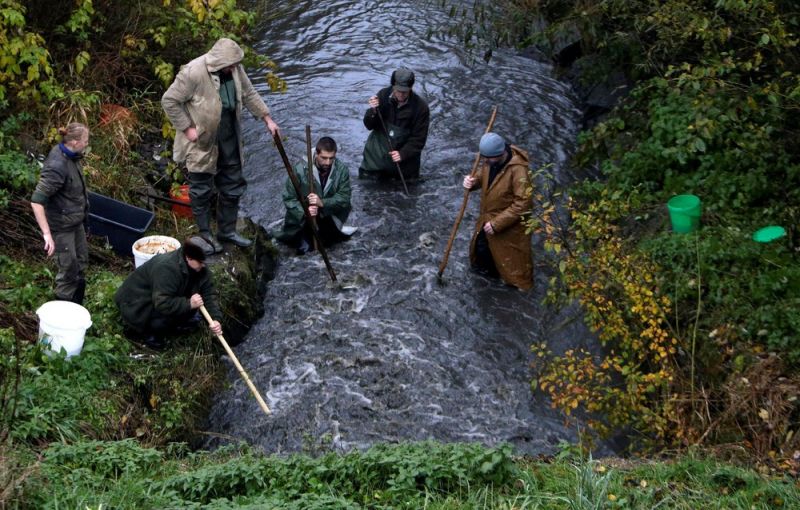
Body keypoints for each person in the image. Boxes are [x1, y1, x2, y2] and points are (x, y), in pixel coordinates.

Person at [162, 37, 280, 254]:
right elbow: (169, 101)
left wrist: (267, 118)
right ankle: (205, 234)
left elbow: (249, 92)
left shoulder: (235, 69)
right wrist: (188, 128)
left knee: (233, 181)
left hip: (229, 133)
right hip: (201, 139)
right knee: (201, 188)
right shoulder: (193, 72)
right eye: (231, 65)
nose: (235, 68)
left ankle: (227, 231)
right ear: (219, 63)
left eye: (236, 64)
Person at [114, 238, 222, 349]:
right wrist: (188, 303)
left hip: (164, 296)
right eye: (201, 262)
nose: (204, 266)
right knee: (161, 321)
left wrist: (215, 319)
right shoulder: (167, 268)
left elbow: (209, 294)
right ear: (189, 257)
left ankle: (177, 323)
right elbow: (163, 303)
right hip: (137, 303)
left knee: (191, 309)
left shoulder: (200, 268)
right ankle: (149, 334)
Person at [462, 132, 533, 290]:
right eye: (484, 158)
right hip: (488, 219)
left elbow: (523, 203)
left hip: (508, 225)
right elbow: (483, 175)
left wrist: (497, 223)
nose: (485, 161)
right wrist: (472, 182)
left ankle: (504, 291)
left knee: (511, 264)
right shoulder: (491, 161)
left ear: (501, 154)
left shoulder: (519, 171)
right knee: (481, 254)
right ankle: (485, 288)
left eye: (488, 158)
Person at [30, 123, 91, 305]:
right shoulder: (57, 166)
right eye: (85, 141)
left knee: (81, 262)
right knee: (68, 269)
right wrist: (47, 234)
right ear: (74, 142)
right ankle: (63, 307)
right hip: (61, 227)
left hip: (75, 222)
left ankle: (76, 304)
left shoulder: (72, 155)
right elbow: (36, 201)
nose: (87, 144)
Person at [275, 137, 353, 254]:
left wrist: (322, 203)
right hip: (305, 218)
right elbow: (289, 198)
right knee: (303, 250)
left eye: (331, 158)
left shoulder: (341, 170)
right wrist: (305, 210)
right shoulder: (299, 170)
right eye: (324, 158)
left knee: (331, 246)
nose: (328, 162)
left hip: (328, 215)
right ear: (316, 154)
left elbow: (344, 198)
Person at [359, 68, 429, 180]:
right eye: (398, 91)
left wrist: (403, 154)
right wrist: (373, 111)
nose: (401, 95)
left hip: (404, 166)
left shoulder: (421, 108)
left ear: (411, 88)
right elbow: (369, 125)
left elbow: (419, 139)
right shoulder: (382, 95)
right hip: (376, 161)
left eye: (404, 92)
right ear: (393, 86)